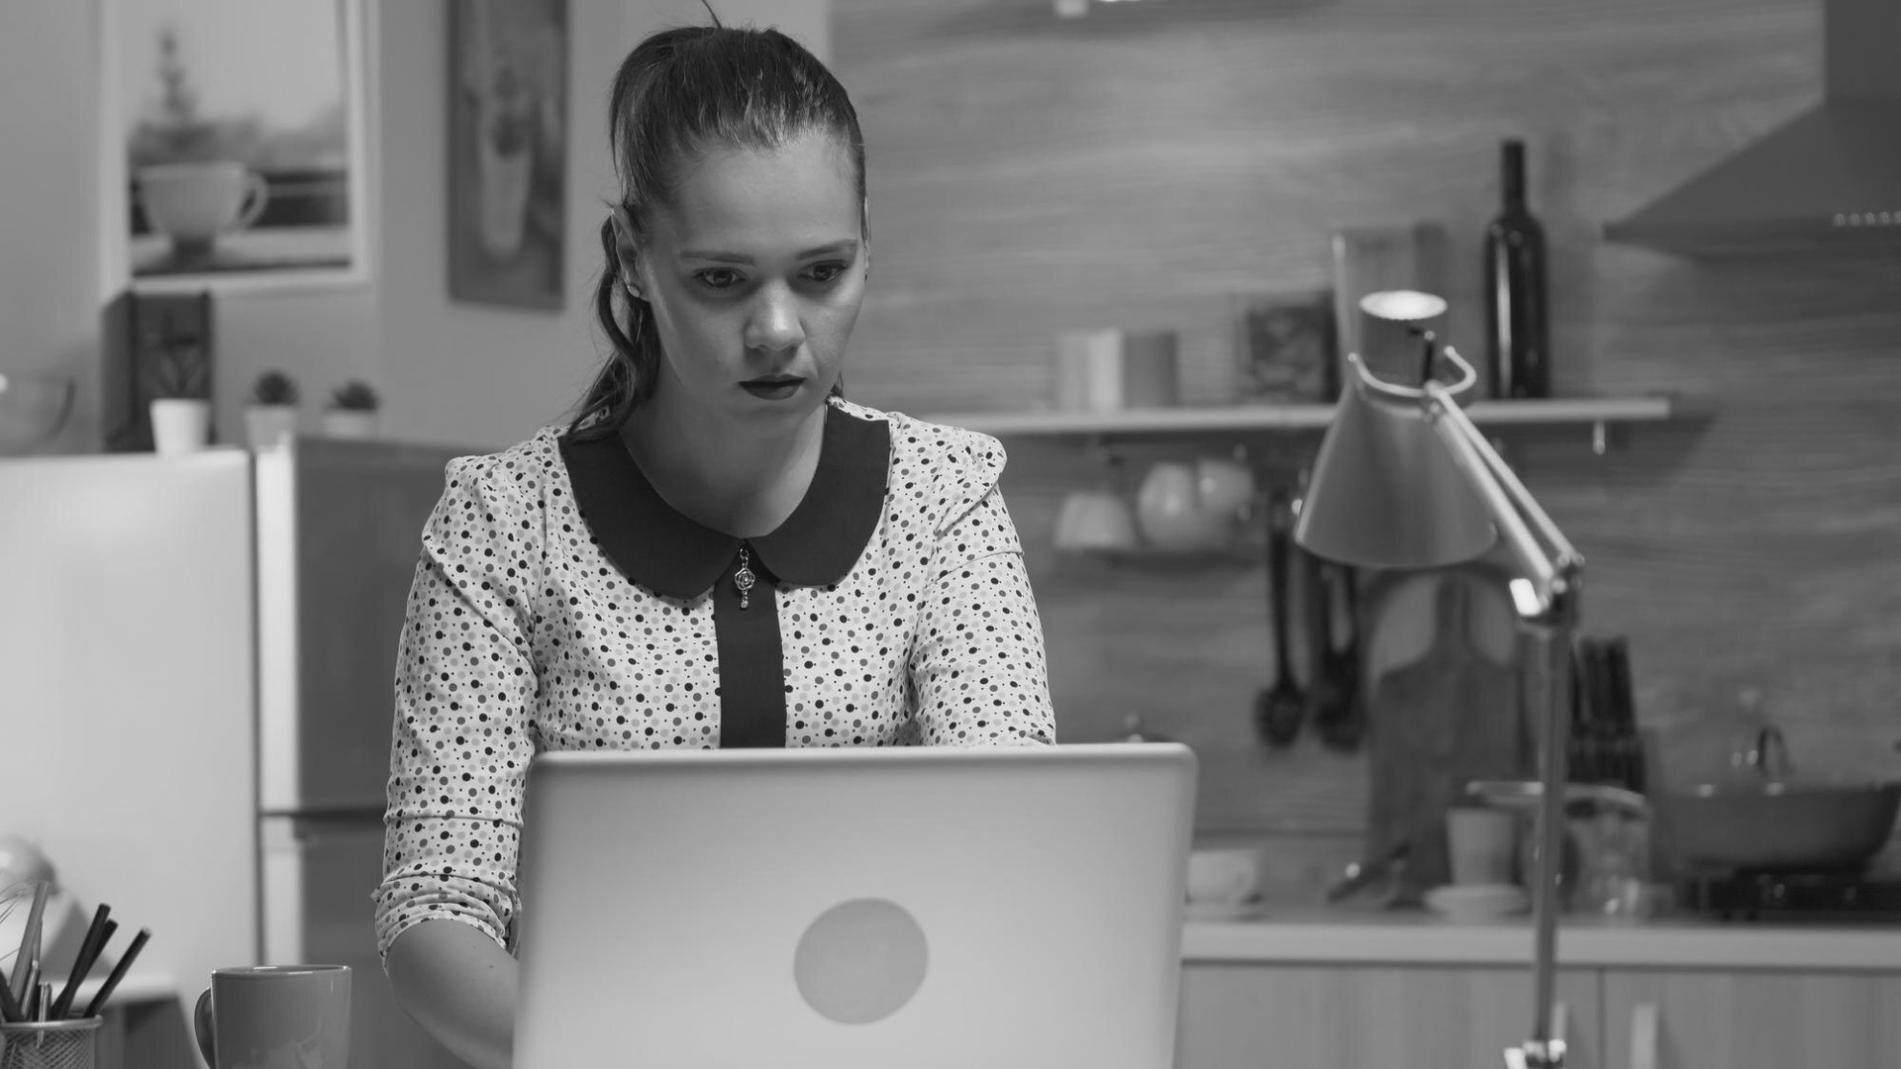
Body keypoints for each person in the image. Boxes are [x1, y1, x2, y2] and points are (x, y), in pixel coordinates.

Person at [373, 16, 1056, 1068]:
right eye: (722, 280)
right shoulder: (503, 524)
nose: (779, 330)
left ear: (868, 242)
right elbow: (436, 911)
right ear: (634, 262)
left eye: (821, 272)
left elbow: (1011, 852)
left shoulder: (944, 501)